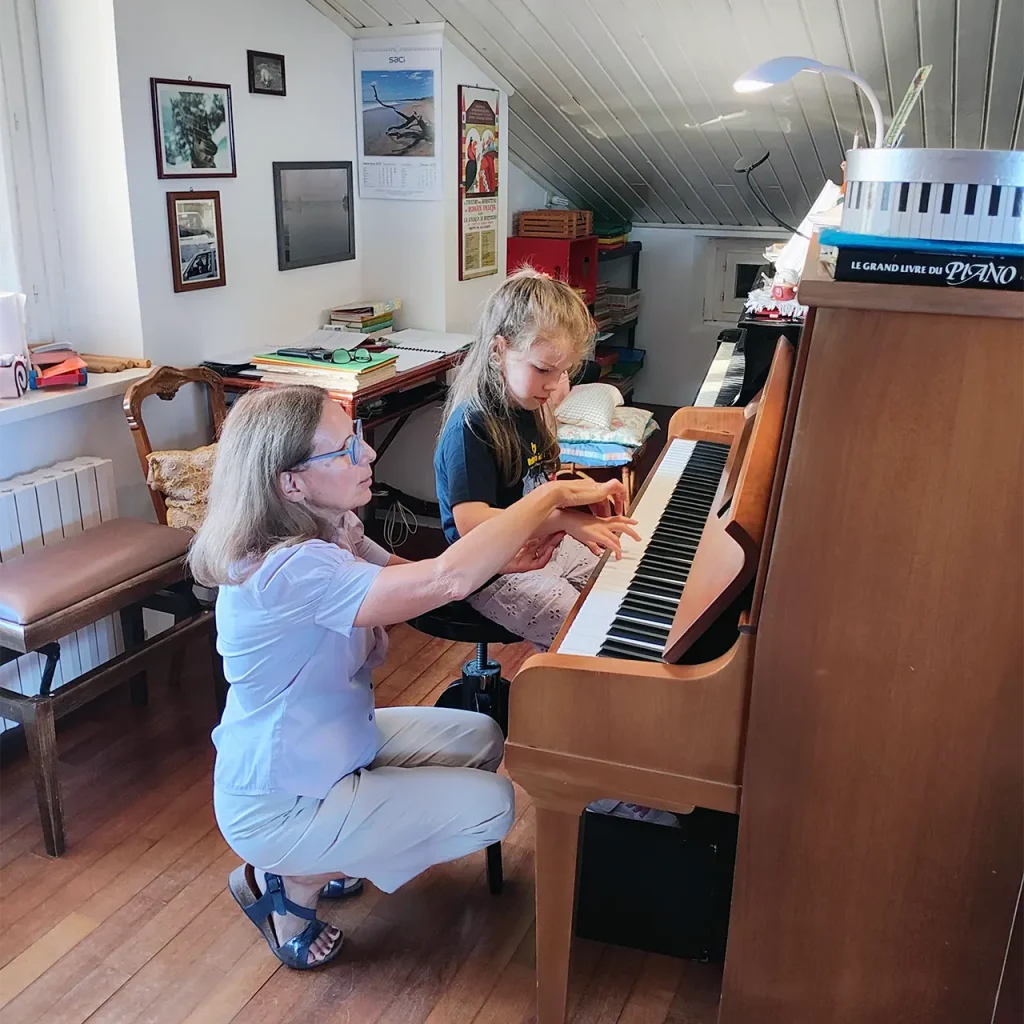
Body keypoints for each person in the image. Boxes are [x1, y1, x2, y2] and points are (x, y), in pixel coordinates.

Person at [188, 384, 624, 971]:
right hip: (280, 798)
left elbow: (410, 575)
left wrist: (502, 558)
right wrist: (551, 497)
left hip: (329, 745)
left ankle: (328, 847)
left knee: (481, 736)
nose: (367, 454)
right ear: (291, 482)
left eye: (357, 438)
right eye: (345, 450)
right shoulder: (288, 568)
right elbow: (444, 580)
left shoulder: (329, 525)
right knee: (493, 808)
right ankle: (291, 878)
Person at [434, 268, 641, 649]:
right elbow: (471, 523)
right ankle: (557, 680)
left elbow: (535, 489)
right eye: (544, 369)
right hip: (491, 569)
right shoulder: (472, 425)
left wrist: (579, 503)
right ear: (499, 351)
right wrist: (565, 518)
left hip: (540, 544)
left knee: (625, 584)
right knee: (586, 636)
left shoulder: (529, 406)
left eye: (563, 372)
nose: (554, 384)